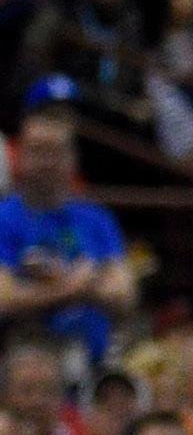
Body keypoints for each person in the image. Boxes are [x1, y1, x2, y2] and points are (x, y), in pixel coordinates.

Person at [0, 107, 134, 363]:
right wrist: (75, 285)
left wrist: (45, 285)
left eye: (57, 152)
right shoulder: (4, 218)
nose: (48, 162)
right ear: (20, 155)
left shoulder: (96, 218)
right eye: (38, 151)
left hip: (94, 359)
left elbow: (123, 293)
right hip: (26, 357)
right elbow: (4, 298)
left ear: (73, 158)